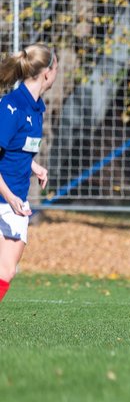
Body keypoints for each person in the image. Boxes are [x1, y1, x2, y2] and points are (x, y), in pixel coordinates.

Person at [0, 44, 58, 304]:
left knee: (7, 271)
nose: (57, 73)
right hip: (6, 197)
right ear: (46, 73)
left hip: (16, 200)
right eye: (56, 67)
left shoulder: (36, 109)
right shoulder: (12, 107)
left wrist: (33, 166)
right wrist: (9, 195)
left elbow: (17, 147)